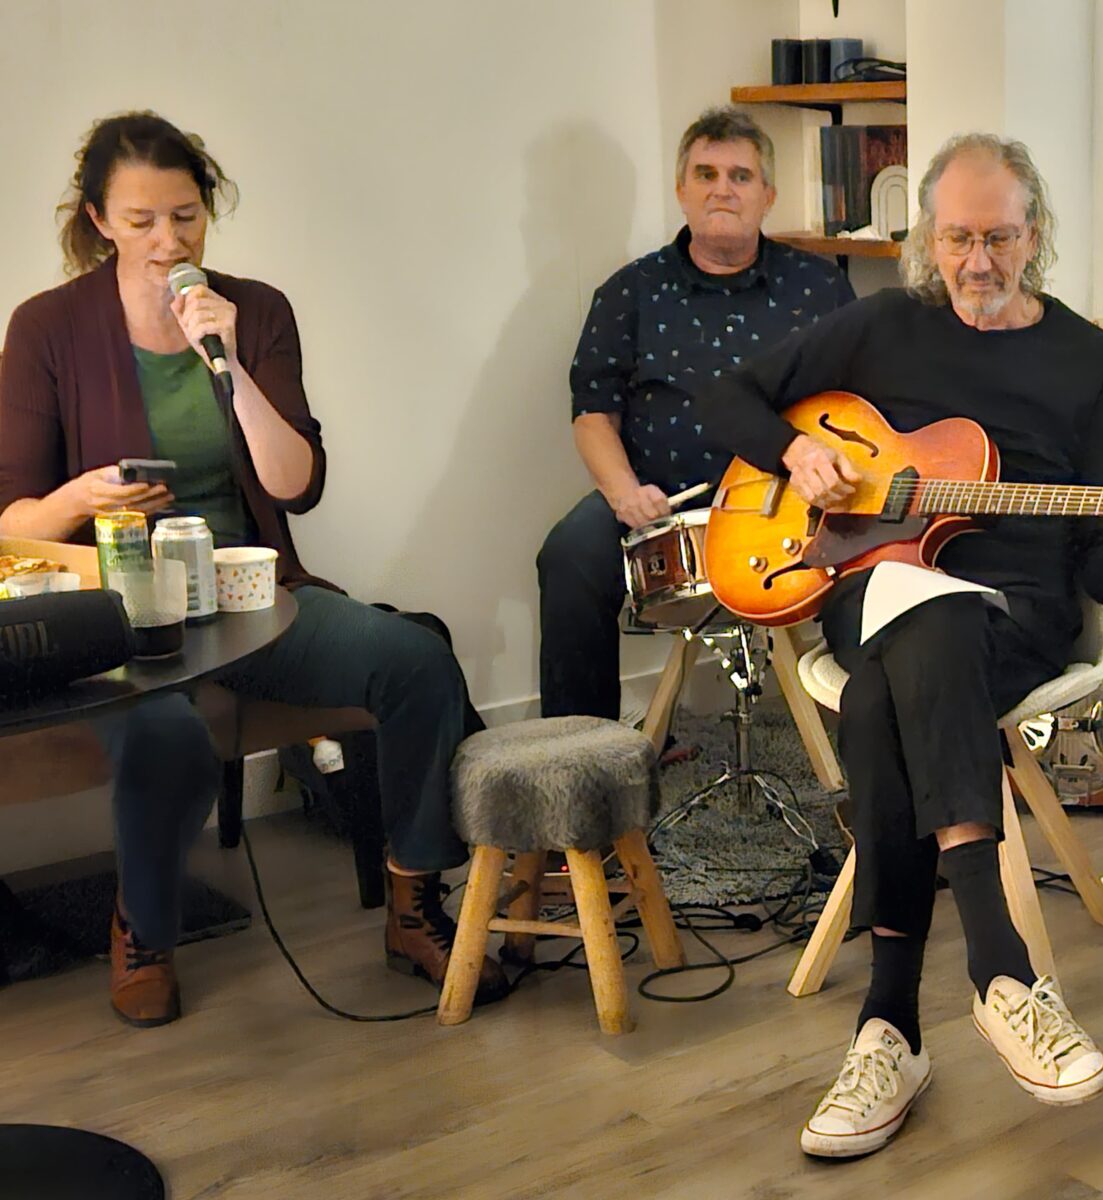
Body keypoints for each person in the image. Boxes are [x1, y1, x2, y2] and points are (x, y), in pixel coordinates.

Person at [695, 133, 1103, 1158]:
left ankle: (888, 1027)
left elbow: (1099, 568)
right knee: (923, 612)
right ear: (925, 235)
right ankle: (1001, 972)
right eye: (955, 238)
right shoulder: (882, 326)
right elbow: (724, 398)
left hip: (1017, 612)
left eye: (998, 238)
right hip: (861, 581)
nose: (975, 262)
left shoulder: (1091, 362)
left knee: (897, 679)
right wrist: (798, 451)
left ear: (1035, 234)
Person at [0, 111, 508, 1027]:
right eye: (144, 219)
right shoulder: (46, 328)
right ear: (101, 218)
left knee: (414, 660)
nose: (169, 241)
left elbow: (296, 484)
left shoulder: (255, 311)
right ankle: (144, 927)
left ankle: (412, 902)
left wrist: (228, 363)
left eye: (186, 216)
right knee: (162, 738)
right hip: (126, 621)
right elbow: (15, 520)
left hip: (251, 597)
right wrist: (86, 498)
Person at [536, 107, 854, 724]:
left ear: (768, 196)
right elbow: (592, 412)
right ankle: (586, 761)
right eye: (705, 173)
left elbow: (857, 404)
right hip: (658, 501)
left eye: (740, 176)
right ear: (681, 191)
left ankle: (869, 759)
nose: (722, 188)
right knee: (567, 558)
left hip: (788, 500)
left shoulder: (819, 288)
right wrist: (624, 494)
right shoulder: (628, 292)